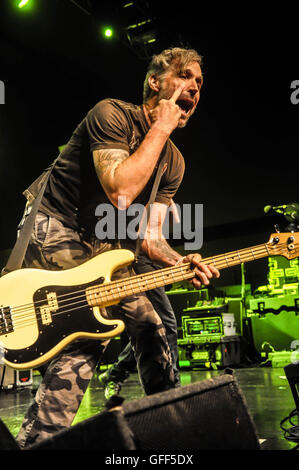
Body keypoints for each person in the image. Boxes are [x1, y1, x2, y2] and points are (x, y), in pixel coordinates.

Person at [7, 46, 219, 448]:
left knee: (151, 323)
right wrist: (162, 127)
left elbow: (149, 238)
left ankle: (173, 433)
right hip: (54, 222)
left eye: (199, 83)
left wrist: (181, 259)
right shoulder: (111, 114)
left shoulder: (173, 162)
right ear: (155, 83)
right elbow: (121, 191)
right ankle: (36, 442)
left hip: (99, 244)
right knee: (91, 320)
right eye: (186, 76)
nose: (195, 87)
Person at [98, 252, 181, 400]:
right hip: (138, 261)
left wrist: (175, 260)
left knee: (151, 328)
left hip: (151, 263)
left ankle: (115, 373)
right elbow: (147, 239)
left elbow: (155, 236)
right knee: (164, 325)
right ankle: (173, 388)